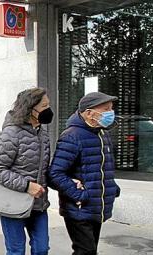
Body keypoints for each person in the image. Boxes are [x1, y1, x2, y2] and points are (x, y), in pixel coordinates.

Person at [48, 92, 121, 255]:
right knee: (85, 251)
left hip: (96, 206)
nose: (111, 113)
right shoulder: (72, 136)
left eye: (111, 108)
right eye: (106, 109)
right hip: (79, 208)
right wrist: (79, 195)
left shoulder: (103, 133)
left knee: (89, 250)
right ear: (89, 113)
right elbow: (54, 174)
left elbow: (101, 167)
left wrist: (111, 187)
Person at [0, 88, 53, 255]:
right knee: (16, 250)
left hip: (38, 205)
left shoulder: (43, 134)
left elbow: (44, 169)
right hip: (13, 203)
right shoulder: (11, 133)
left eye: (49, 105)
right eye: (44, 106)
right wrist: (27, 186)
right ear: (30, 108)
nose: (48, 110)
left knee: (41, 249)